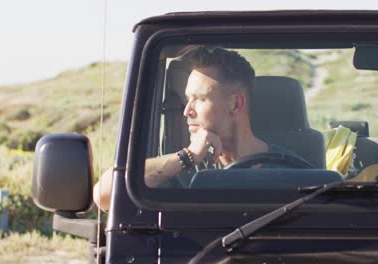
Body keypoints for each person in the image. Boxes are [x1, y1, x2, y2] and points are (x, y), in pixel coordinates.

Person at [93, 47, 290, 211]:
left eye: (200, 99)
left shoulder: (290, 170)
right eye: (188, 100)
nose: (187, 111)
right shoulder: (179, 168)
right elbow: (104, 195)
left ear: (235, 104)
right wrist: (186, 157)